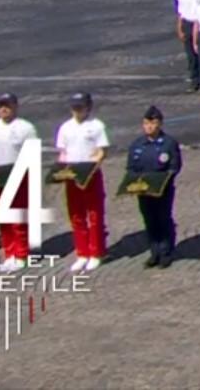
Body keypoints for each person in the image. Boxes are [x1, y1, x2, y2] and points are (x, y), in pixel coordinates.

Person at [0, 93, 39, 272]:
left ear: (15, 106)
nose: (4, 109)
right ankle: (9, 252)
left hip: (18, 174)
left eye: (7, 105)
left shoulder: (26, 128)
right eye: (1, 106)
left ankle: (21, 253)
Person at [56, 91, 110, 272]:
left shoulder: (96, 126)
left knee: (94, 214)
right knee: (76, 215)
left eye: (80, 107)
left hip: (90, 174)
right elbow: (62, 152)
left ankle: (96, 252)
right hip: (72, 175)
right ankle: (82, 252)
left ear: (88, 107)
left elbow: (102, 151)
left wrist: (91, 168)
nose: (77, 111)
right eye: (74, 107)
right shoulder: (65, 127)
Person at [126, 105, 182, 268]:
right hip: (143, 190)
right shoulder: (137, 144)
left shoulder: (168, 143)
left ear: (160, 124)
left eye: (153, 123)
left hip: (162, 190)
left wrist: (163, 180)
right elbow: (131, 168)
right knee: (149, 220)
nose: (149, 127)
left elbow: (174, 166)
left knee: (163, 218)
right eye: (146, 124)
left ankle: (165, 252)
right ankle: (154, 252)